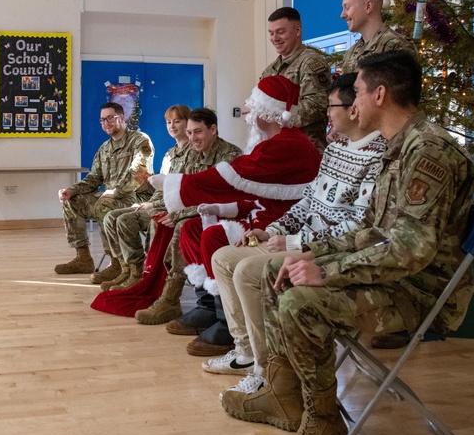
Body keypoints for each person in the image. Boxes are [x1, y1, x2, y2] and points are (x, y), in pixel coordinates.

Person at [221, 51, 474, 435]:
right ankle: (283, 394)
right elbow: (370, 233)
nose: (351, 103)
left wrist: (327, 272)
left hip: (418, 290)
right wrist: (313, 254)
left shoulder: (427, 151)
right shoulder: (397, 148)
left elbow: (410, 251)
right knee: (277, 271)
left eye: (355, 92)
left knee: (300, 303)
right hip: (391, 272)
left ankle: (321, 422)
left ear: (379, 94)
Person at [204, 72, 386, 390]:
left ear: (353, 109)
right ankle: (246, 353)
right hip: (299, 241)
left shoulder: (376, 159)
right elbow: (306, 203)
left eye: (332, 106)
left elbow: (358, 226)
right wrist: (271, 230)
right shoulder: (336, 151)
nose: (326, 113)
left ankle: (265, 372)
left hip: (326, 251)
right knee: (222, 257)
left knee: (246, 270)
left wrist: (292, 240)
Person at [152, 75, 322, 356]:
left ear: (267, 111)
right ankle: (210, 306)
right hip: (262, 218)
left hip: (278, 227)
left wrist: (180, 184)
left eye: (253, 108)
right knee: (194, 228)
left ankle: (228, 321)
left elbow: (234, 177)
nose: (248, 115)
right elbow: (254, 195)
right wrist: (220, 209)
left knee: (215, 234)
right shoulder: (274, 140)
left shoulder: (286, 144)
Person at [98, 108, 241, 321]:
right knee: (161, 221)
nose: (193, 138)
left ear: (213, 129)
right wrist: (167, 209)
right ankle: (150, 280)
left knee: (180, 226)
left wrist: (178, 213)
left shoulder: (229, 155)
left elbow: (221, 197)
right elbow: (184, 190)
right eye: (190, 133)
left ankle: (171, 297)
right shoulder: (192, 154)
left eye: (198, 132)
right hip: (197, 210)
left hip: (226, 212)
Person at [96, 105, 192, 291]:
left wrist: (153, 204)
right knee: (112, 217)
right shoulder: (169, 155)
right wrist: (150, 203)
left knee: (124, 219)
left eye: (177, 121)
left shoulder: (194, 152)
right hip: (158, 203)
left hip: (175, 208)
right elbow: (161, 188)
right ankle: (130, 270)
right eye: (168, 122)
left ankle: (142, 273)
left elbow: (186, 189)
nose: (172, 126)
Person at [55, 102, 154, 275]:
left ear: (122, 118)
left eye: (110, 118)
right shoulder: (104, 149)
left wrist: (116, 191)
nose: (105, 123)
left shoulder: (139, 140)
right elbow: (94, 178)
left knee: (104, 204)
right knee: (72, 201)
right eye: (102, 120)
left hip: (137, 197)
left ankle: (116, 263)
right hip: (111, 197)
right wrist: (71, 190)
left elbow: (139, 173)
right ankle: (83, 258)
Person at [260, 7, 332, 152]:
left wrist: (276, 116)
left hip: (307, 150)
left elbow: (317, 106)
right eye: (271, 33)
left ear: (298, 30)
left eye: (280, 32)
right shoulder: (270, 70)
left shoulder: (311, 63)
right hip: (278, 148)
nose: (275, 38)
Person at [339, 0, 417, 73]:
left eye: (347, 7)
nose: (342, 15)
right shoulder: (350, 53)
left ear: (368, 6)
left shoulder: (397, 46)